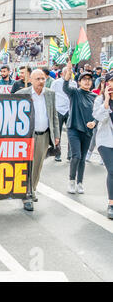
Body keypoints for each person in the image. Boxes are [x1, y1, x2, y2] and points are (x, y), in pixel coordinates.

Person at [16, 69, 60, 211]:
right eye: (38, 79)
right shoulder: (22, 94)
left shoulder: (50, 94)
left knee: (38, 165)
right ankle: (26, 194)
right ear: (31, 80)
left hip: (44, 135)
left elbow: (54, 116)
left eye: (43, 79)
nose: (41, 81)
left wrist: (56, 135)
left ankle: (32, 189)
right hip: (28, 137)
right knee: (28, 165)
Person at [63, 61, 98, 195]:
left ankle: (80, 182)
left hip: (88, 131)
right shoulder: (75, 93)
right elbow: (65, 87)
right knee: (76, 156)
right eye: (84, 79)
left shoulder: (95, 97)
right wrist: (68, 73)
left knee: (83, 159)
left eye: (89, 80)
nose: (87, 82)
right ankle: (71, 181)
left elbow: (99, 114)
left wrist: (94, 122)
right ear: (79, 82)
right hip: (74, 129)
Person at [92, 72, 113, 219]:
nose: (111, 84)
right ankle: (111, 204)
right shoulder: (99, 99)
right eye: (109, 82)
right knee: (112, 170)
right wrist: (106, 100)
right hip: (105, 141)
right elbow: (99, 117)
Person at [50, 67, 77, 162]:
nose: (69, 74)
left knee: (71, 133)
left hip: (69, 110)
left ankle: (70, 154)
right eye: (67, 72)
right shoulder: (56, 83)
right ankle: (57, 153)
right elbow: (51, 95)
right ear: (62, 73)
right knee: (58, 133)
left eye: (70, 72)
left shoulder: (74, 83)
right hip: (59, 109)